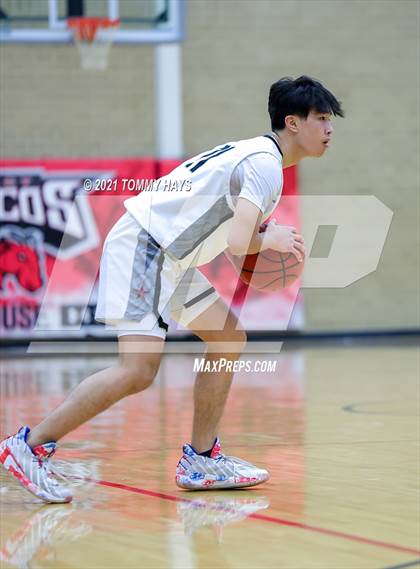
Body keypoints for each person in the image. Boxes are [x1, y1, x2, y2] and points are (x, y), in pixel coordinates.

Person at [0, 76, 344, 503]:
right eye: (323, 119)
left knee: (228, 337)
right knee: (137, 372)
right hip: (146, 247)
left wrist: (264, 234)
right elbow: (240, 244)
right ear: (292, 123)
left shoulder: (257, 156)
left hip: (170, 256)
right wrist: (268, 240)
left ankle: (200, 458)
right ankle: (28, 446)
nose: (330, 129)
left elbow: (231, 227)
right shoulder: (265, 166)